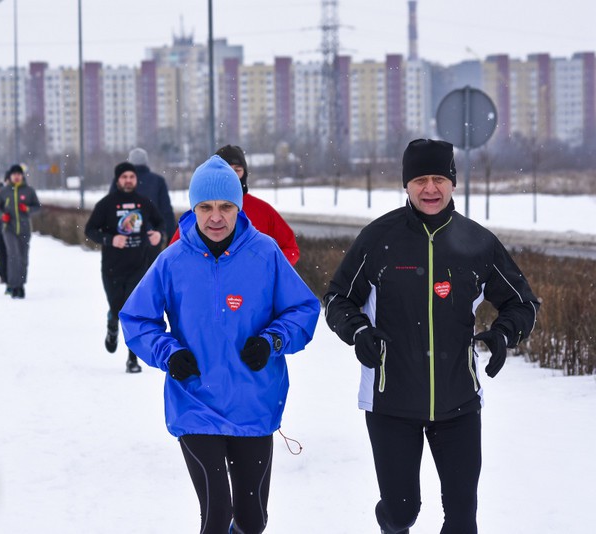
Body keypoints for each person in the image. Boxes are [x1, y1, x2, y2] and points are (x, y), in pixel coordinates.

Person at [323, 138, 540, 534]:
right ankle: (392, 519)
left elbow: (523, 303)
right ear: (406, 185)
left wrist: (503, 335)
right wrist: (358, 332)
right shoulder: (378, 240)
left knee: (462, 519)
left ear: (453, 183)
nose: (430, 188)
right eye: (420, 179)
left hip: (458, 401)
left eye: (439, 178)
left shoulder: (478, 243)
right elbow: (338, 298)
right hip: (391, 402)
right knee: (402, 512)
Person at [119, 155, 320, 532]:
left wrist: (272, 340)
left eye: (226, 207)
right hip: (194, 401)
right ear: (193, 208)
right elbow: (135, 318)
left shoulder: (265, 253)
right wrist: (169, 352)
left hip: (254, 403)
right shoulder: (173, 259)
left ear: (238, 206)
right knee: (216, 513)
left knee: (251, 520)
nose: (216, 217)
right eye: (206, 207)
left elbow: (304, 309)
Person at [85, 162, 165, 373]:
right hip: (112, 267)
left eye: (131, 176)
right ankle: (112, 325)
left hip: (139, 265)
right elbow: (90, 230)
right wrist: (110, 239)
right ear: (117, 180)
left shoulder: (144, 203)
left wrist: (158, 235)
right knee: (117, 308)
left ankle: (132, 359)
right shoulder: (106, 204)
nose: (128, 180)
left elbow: (160, 223)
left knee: (132, 313)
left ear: (136, 179)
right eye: (124, 177)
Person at [169, 144, 300, 266]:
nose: (232, 176)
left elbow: (290, 249)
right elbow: (172, 259)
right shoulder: (198, 216)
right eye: (227, 169)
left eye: (237, 170)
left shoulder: (263, 210)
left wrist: (269, 267)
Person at [111, 147, 175, 255]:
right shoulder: (158, 181)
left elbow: (111, 209)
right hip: (151, 238)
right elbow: (166, 210)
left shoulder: (120, 181)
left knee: (129, 271)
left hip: (126, 239)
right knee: (150, 270)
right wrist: (170, 236)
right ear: (146, 162)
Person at [0, 164, 41, 299]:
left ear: (22, 176)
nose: (16, 177)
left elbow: (37, 207)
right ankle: (13, 286)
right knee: (13, 256)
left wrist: (27, 209)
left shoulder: (29, 191)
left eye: (19, 174)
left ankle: (21, 285)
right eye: (14, 175)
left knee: (23, 258)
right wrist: (2, 215)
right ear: (10, 177)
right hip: (9, 229)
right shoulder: (4, 191)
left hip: (25, 229)